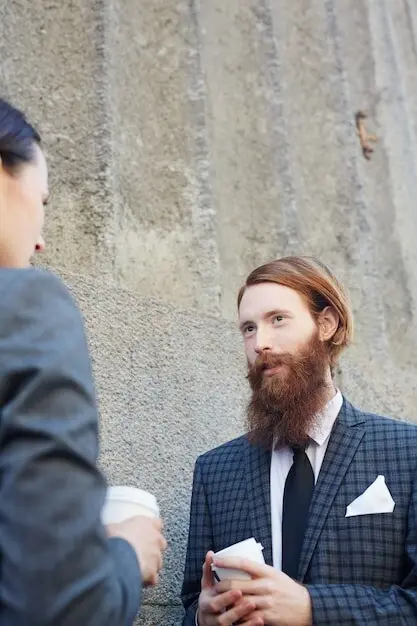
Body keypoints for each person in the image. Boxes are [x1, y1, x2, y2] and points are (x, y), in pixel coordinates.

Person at [0, 97, 167, 625]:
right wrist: (124, 555)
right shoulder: (26, 305)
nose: (41, 240)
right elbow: (61, 605)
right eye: (42, 201)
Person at [181, 256, 417, 625]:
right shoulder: (215, 471)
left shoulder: (408, 451)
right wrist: (203, 618)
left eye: (278, 319)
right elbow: (192, 603)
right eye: (248, 328)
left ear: (326, 324)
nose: (260, 343)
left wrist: (311, 608)